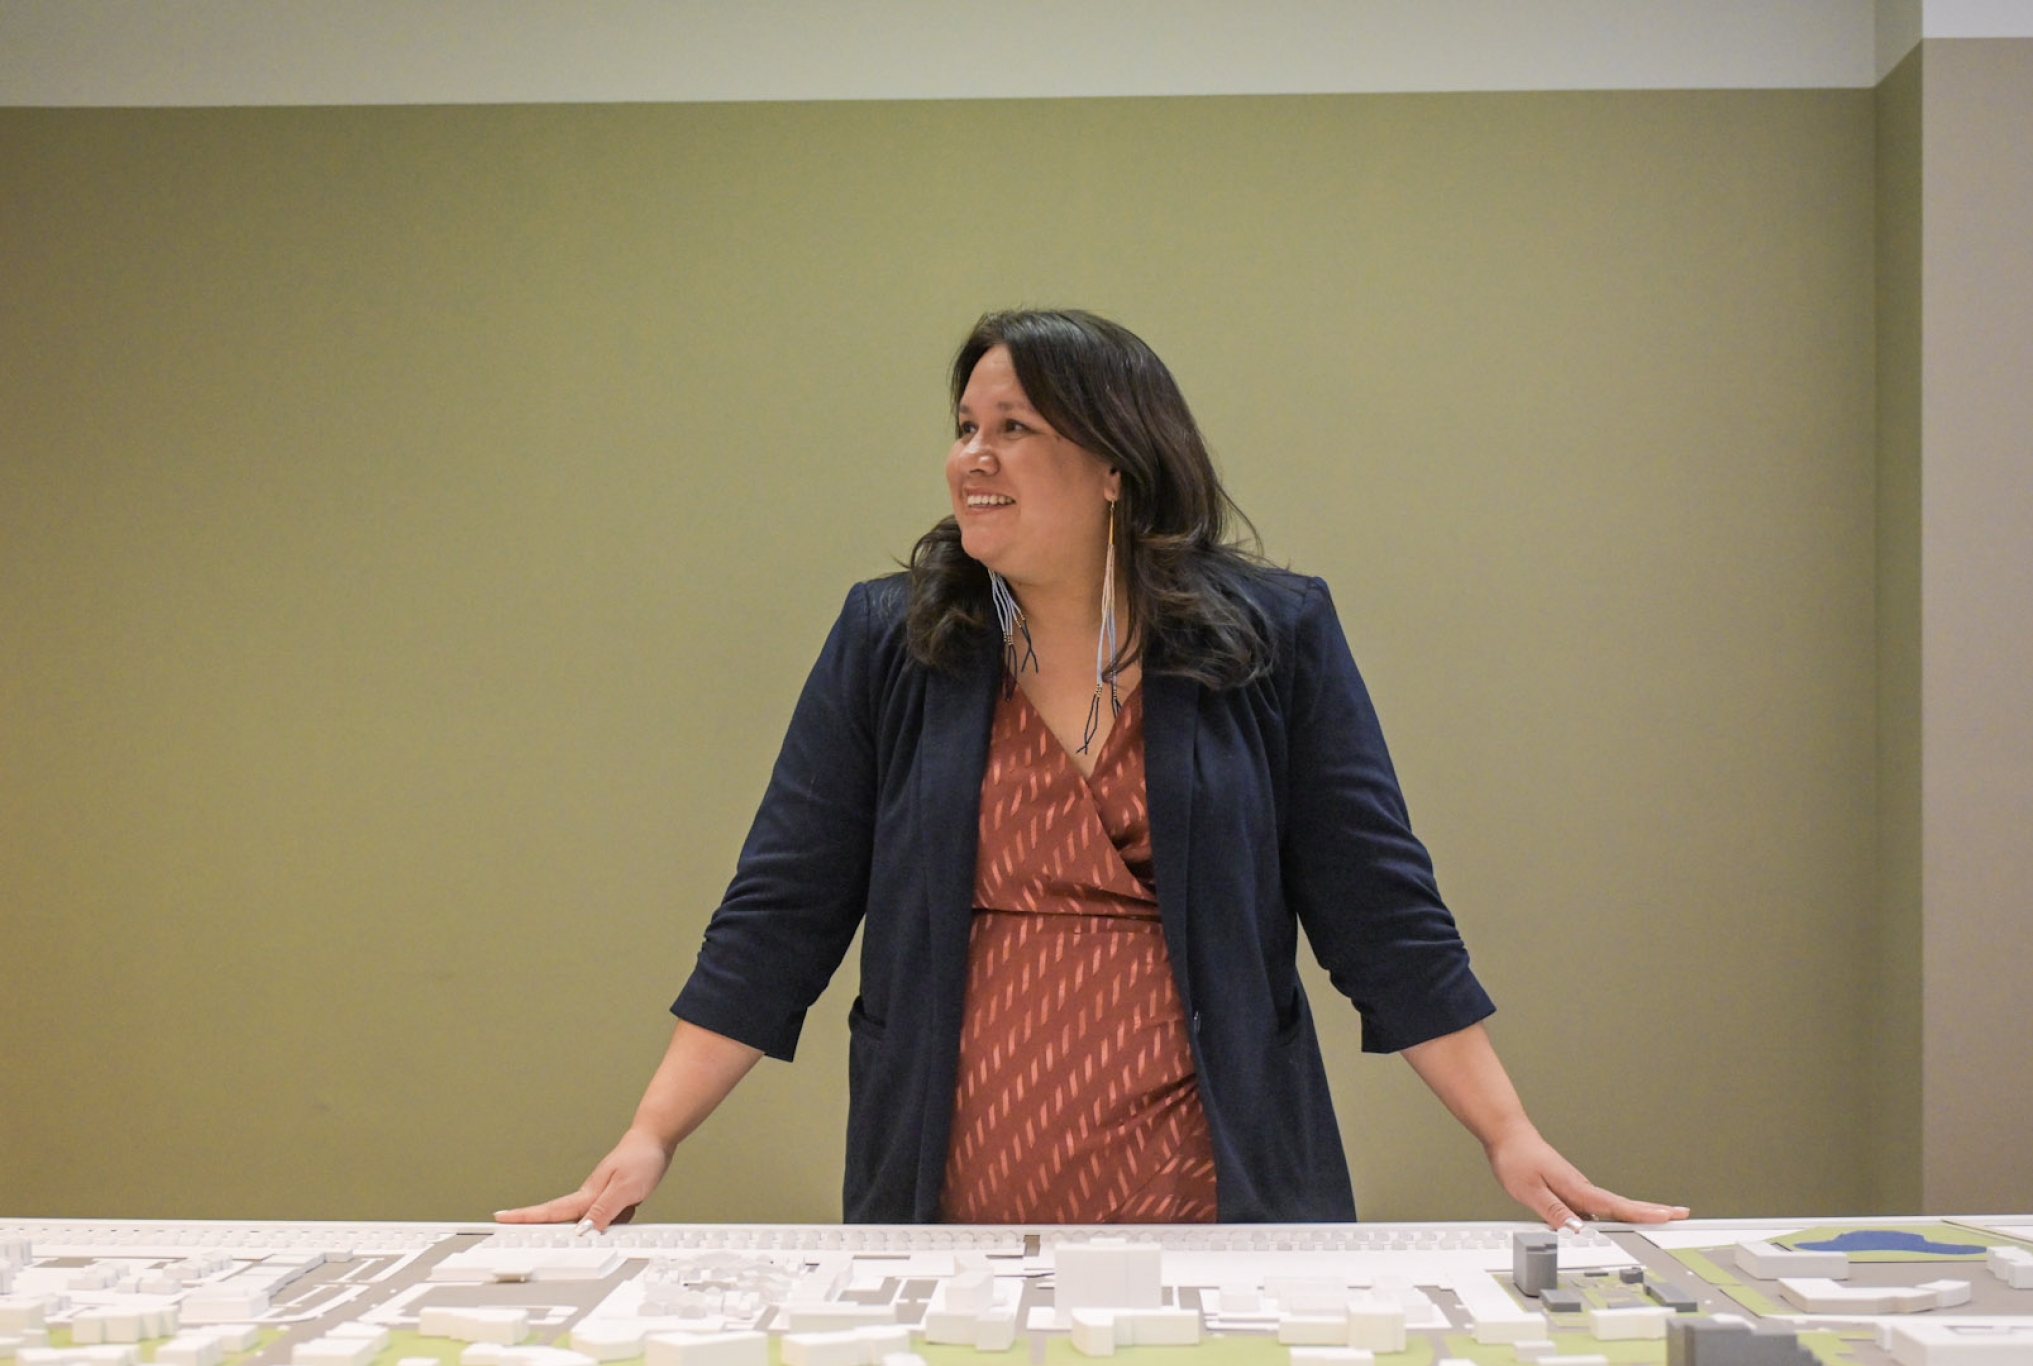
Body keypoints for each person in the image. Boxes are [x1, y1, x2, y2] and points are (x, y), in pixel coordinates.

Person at [500, 309, 1686, 1233]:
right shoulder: (891, 639)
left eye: (1013, 427)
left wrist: (1508, 1135)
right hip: (951, 1182)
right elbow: (780, 909)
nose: (973, 455)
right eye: (965, 426)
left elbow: (1380, 909)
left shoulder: (1273, 635)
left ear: (1118, 462)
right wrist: (650, 1136)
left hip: (1210, 1189)